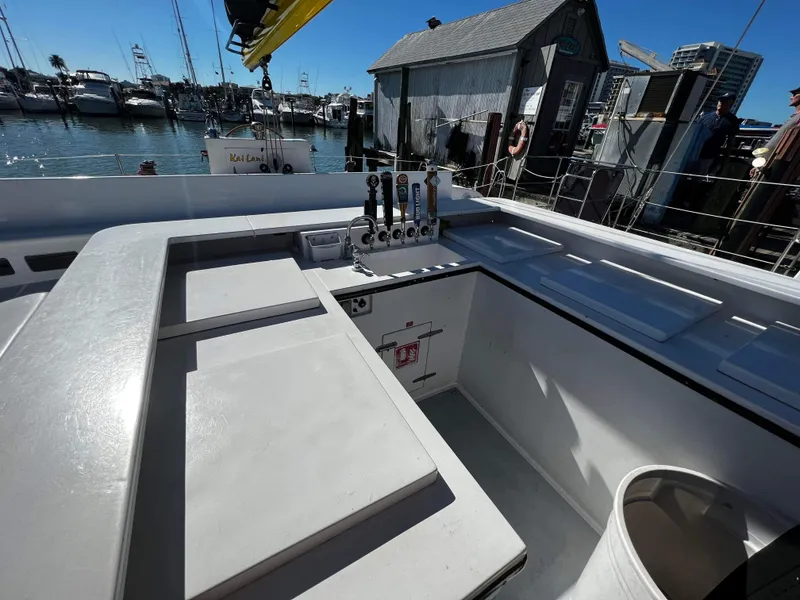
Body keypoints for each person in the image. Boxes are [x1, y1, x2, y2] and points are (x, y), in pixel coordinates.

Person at [693, 92, 740, 175]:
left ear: (731, 104)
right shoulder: (705, 116)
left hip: (708, 156)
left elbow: (730, 142)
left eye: (725, 101)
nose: (721, 103)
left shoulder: (733, 120)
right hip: (694, 152)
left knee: (697, 179)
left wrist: (725, 160)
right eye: (720, 101)